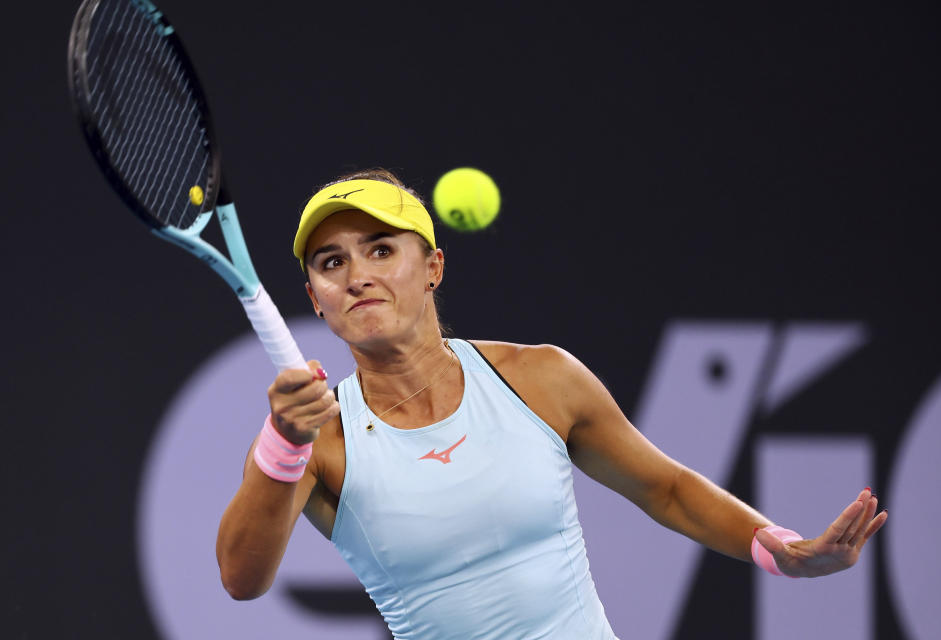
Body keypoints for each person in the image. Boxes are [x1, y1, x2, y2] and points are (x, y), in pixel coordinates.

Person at [216, 169, 887, 639]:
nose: (356, 275)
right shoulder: (315, 439)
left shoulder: (539, 377)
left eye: (381, 249)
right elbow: (241, 580)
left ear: (433, 268)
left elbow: (668, 490)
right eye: (330, 263)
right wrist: (284, 443)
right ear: (314, 298)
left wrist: (782, 550)